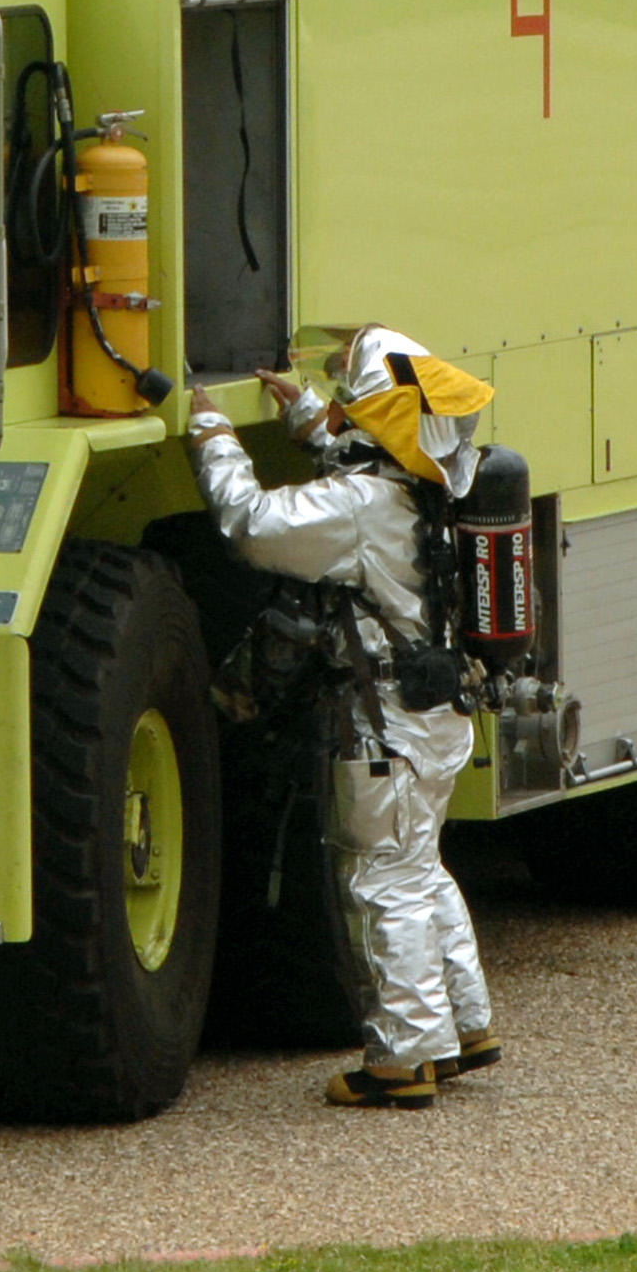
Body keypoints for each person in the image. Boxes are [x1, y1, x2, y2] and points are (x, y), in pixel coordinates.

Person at [186, 325, 502, 1111]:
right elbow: (359, 462)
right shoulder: (431, 489)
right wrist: (309, 416)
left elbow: (254, 524)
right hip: (440, 716)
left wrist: (213, 435)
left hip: (386, 728)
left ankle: (403, 1057)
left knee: (382, 881)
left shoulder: (362, 507)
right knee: (422, 867)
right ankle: (466, 1025)